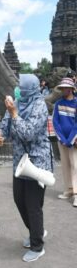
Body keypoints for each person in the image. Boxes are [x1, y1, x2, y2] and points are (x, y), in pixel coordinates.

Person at [0, 74, 52, 262]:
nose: (18, 89)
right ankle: (38, 230)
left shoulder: (39, 105)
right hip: (20, 162)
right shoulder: (17, 102)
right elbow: (5, 126)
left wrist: (14, 113)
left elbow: (28, 133)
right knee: (19, 200)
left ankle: (37, 246)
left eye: (21, 86)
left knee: (33, 206)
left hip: (37, 163)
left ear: (31, 89)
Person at [52, 77, 77, 207]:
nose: (63, 90)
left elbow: (76, 124)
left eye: (65, 88)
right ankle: (69, 189)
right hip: (63, 141)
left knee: (76, 166)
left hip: (74, 140)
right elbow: (55, 122)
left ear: (71, 89)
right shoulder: (58, 103)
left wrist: (71, 139)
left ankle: (76, 194)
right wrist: (62, 138)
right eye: (62, 88)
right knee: (65, 165)